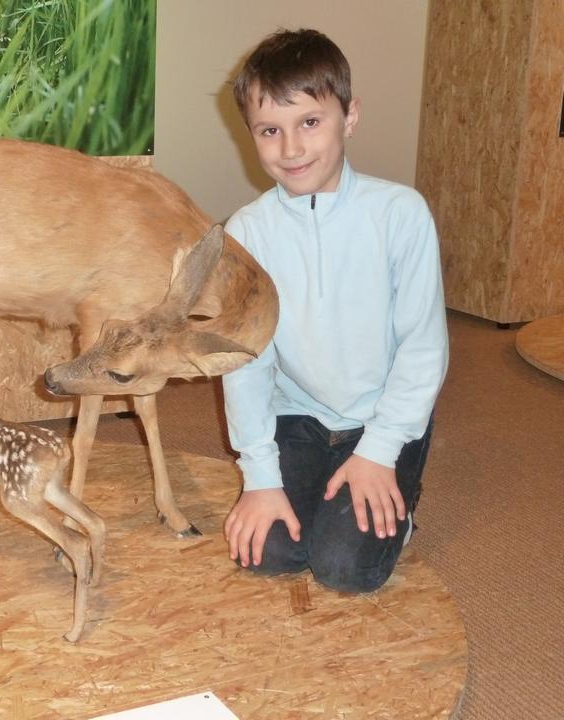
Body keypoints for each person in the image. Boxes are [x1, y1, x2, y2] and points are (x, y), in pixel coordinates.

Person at [221, 28, 448, 593]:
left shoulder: (400, 213)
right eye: (270, 130)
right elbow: (246, 362)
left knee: (345, 568)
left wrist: (381, 450)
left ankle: (402, 497)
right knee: (269, 552)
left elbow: (422, 347)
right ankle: (328, 485)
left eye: (309, 122)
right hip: (297, 415)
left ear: (349, 117)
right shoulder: (246, 232)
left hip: (382, 416)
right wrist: (259, 475)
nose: (291, 149)